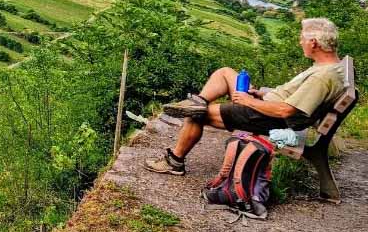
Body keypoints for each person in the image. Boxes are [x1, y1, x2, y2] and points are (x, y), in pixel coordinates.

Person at [144, 18, 347, 175]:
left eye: (302, 38)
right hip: (267, 105)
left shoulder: (322, 77)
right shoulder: (328, 68)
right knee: (225, 72)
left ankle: (174, 162)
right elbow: (292, 97)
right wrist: (262, 93)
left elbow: (286, 110)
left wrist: (249, 101)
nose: (300, 41)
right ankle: (198, 100)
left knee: (197, 114)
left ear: (313, 43)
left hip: (268, 117)